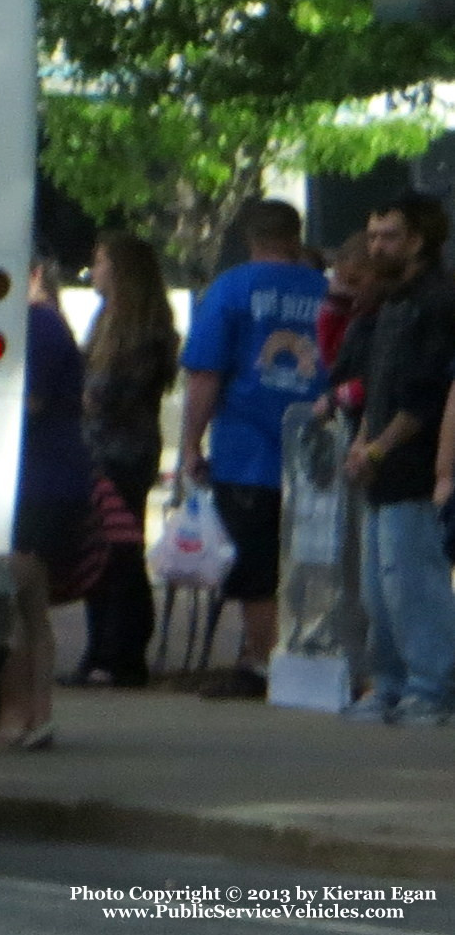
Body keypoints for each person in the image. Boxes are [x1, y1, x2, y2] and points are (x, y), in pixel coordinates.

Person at [177, 198, 328, 699]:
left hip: (248, 451)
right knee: (308, 560)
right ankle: (306, 654)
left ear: (248, 238)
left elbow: (206, 373)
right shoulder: (327, 292)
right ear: (295, 235)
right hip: (317, 451)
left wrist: (189, 445)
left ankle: (260, 662)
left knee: (254, 562)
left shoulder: (231, 289)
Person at [349, 193, 455, 725]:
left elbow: (426, 394)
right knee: (379, 587)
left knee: (413, 581)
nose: (376, 246)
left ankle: (431, 685)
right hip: (385, 466)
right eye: (372, 235)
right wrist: (364, 440)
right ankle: (390, 682)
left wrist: (377, 446)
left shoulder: (438, 301)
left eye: (388, 235)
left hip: (413, 467)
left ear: (418, 239)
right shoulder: (393, 302)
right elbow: (379, 387)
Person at [66, 232, 179, 688]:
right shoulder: (105, 320)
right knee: (101, 550)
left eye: (101, 261)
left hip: (123, 452)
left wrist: (83, 392)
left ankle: (122, 652)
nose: (94, 269)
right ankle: (101, 649)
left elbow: (108, 394)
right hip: (98, 449)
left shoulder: (143, 330)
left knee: (120, 550)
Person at [0, 258, 98, 749]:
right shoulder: (43, 324)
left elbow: (28, 401)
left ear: (34, 272)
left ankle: (19, 717)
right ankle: (36, 718)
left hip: (41, 482)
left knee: (18, 600)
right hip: (46, 480)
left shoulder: (38, 325)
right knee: (30, 604)